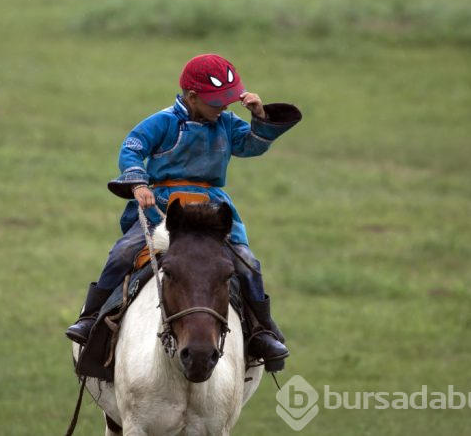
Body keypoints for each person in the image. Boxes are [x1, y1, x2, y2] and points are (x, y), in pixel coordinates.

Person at [65, 53, 302, 371]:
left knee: (248, 264)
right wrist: (138, 184)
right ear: (192, 97)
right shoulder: (163, 122)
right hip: (161, 207)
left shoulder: (227, 124)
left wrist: (259, 116)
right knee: (123, 252)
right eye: (217, 102)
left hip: (211, 210)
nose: (225, 108)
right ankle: (91, 318)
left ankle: (262, 330)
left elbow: (252, 146)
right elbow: (132, 148)